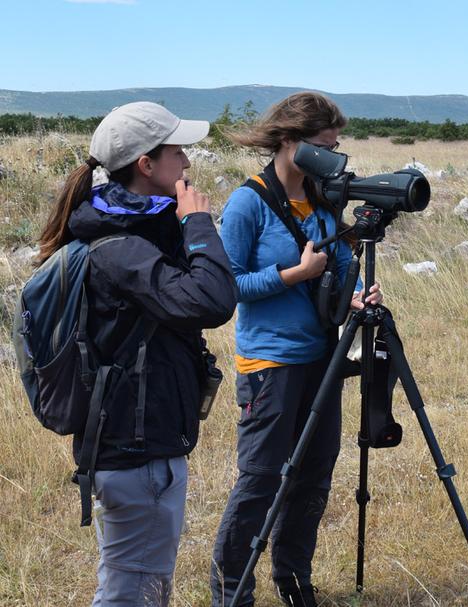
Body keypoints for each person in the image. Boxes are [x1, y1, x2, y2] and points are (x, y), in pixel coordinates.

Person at [36, 101, 237, 606]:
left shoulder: (133, 229)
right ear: (146, 164)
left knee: (133, 580)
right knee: (133, 589)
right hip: (135, 450)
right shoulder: (120, 248)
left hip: (133, 444)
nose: (187, 162)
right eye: (177, 151)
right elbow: (211, 300)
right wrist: (198, 225)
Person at [210, 92, 381, 607]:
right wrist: (293, 275)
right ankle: (231, 591)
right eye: (320, 147)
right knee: (262, 478)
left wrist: (352, 295)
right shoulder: (248, 202)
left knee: (314, 472)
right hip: (270, 362)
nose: (330, 157)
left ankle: (293, 580)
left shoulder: (326, 199)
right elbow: (227, 285)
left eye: (335, 147)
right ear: (288, 141)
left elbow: (339, 267)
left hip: (322, 356)